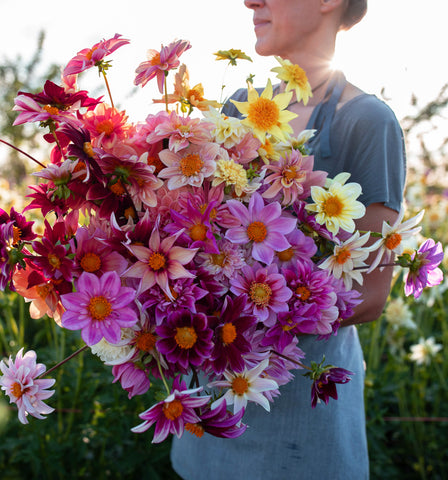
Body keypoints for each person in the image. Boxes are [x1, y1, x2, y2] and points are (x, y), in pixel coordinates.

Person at [170, 0, 406, 478]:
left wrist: (248, 314)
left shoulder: (366, 120)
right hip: (214, 403)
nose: (250, 0)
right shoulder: (237, 104)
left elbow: (369, 294)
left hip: (299, 416)